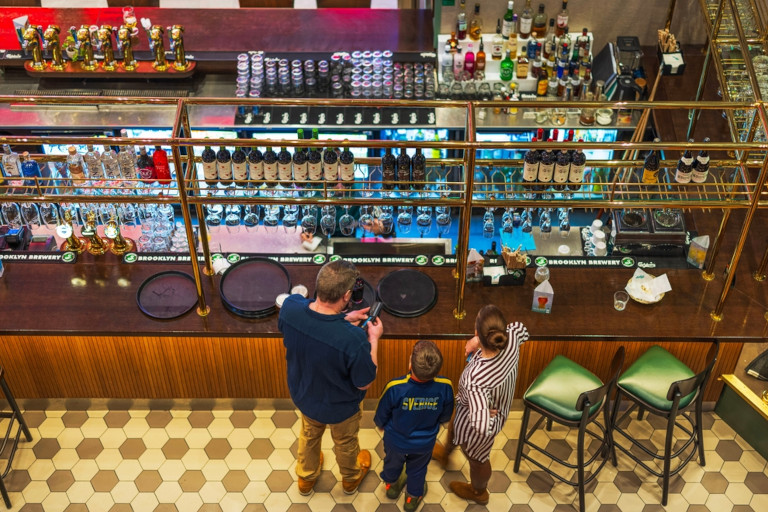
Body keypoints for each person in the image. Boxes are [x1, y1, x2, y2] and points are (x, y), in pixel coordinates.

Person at [278, 260, 384, 496]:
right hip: (341, 409)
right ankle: (350, 479)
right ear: (347, 296)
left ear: (318, 286)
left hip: (305, 397)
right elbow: (364, 381)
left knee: (309, 436)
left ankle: (306, 479)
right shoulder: (354, 339)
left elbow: (313, 321)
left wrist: (340, 319)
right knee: (346, 444)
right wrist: (373, 338)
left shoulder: (290, 308)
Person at [433, 305, 528, 505]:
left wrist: (489, 417)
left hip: (475, 427)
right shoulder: (511, 339)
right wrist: (478, 342)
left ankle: (478, 492)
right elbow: (521, 328)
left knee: (476, 459)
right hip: (468, 412)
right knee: (454, 426)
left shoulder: (476, 380)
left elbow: (483, 427)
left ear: (477, 332)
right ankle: (445, 453)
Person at [374, 340, 454, 512]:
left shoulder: (395, 387)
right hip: (424, 443)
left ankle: (392, 486)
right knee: (418, 470)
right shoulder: (445, 386)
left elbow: (381, 413)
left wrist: (382, 425)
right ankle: (412, 498)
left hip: (395, 440)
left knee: (392, 463)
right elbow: (446, 415)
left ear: (410, 363)